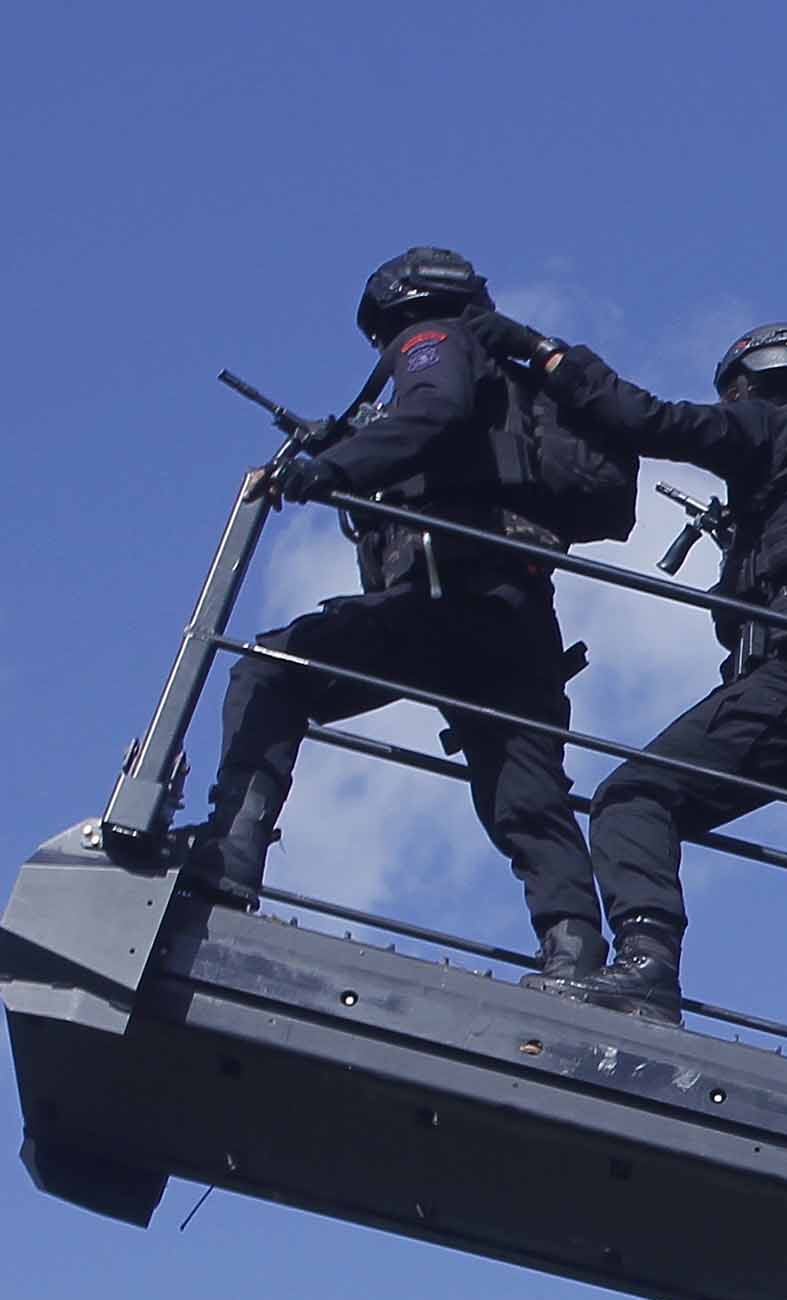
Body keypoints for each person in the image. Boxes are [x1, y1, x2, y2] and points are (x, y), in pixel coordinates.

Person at [483, 312, 787, 1097]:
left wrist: (546, 357)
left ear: (762, 384)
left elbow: (644, 419)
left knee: (634, 797)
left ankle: (645, 970)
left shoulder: (777, 433)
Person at [179, 248, 602, 977]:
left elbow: (433, 413)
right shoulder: (513, 379)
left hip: (443, 595)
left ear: (393, 312)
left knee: (273, 672)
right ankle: (578, 955)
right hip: (519, 609)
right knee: (525, 789)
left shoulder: (432, 341)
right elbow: (454, 450)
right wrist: (353, 442)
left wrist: (328, 469)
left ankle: (225, 861)